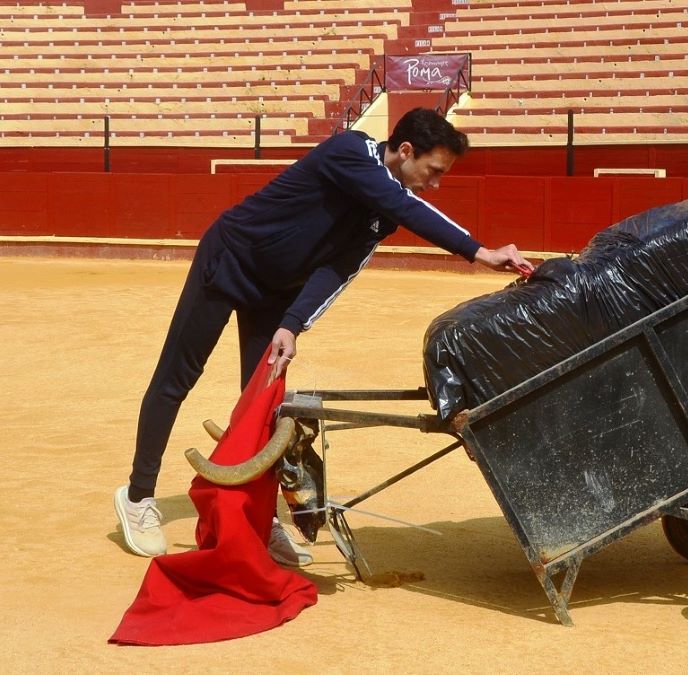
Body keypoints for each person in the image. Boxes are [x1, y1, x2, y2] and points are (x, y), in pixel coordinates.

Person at [115, 108, 531, 565]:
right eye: (433, 171)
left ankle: (255, 517)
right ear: (405, 150)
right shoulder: (349, 151)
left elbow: (338, 269)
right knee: (177, 377)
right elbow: (405, 205)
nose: (435, 184)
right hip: (229, 260)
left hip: (277, 292)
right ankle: (138, 497)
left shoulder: (381, 213)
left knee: (262, 403)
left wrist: (292, 323)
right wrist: (479, 251)